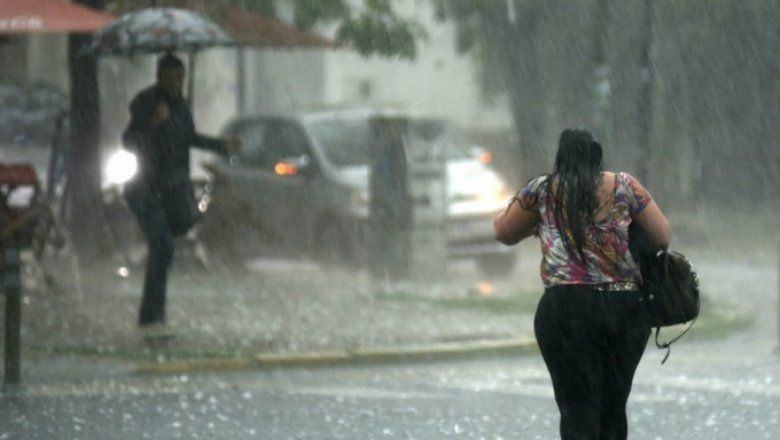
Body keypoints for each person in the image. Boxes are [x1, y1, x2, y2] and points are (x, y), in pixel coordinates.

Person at [494, 128, 671, 439]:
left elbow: (504, 232)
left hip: (565, 310)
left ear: (561, 157)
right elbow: (662, 236)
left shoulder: (543, 190)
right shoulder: (624, 185)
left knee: (576, 407)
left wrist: (538, 219)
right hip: (624, 309)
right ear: (596, 155)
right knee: (613, 406)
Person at [122, 53, 240, 334]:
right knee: (163, 245)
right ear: (159, 77)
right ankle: (151, 317)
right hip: (146, 189)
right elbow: (129, 140)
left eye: (179, 79)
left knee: (166, 248)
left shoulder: (182, 107)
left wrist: (222, 145)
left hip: (173, 190)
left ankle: (154, 314)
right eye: (170, 78)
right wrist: (153, 121)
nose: (175, 84)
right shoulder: (146, 102)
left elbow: (190, 137)